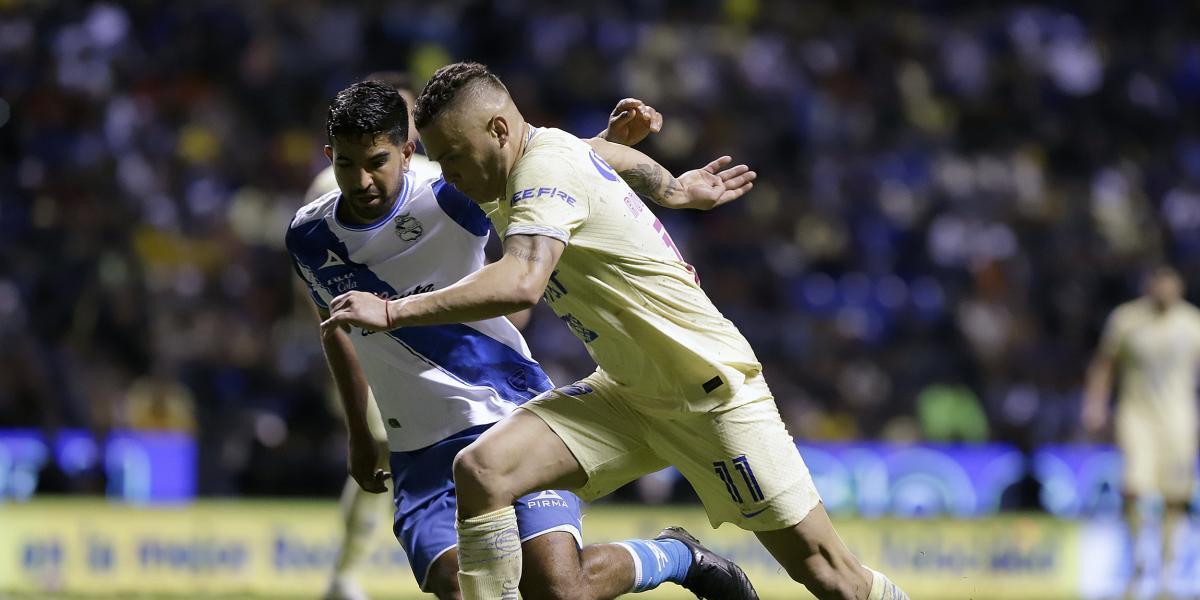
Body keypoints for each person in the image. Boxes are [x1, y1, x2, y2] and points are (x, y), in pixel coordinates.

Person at [321, 62, 910, 600]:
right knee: (483, 471)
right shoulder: (529, 162)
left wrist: (393, 311)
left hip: (711, 397)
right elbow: (599, 155)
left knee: (835, 579)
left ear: (499, 130)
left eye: (453, 156)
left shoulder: (540, 169)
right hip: (628, 393)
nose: (447, 174)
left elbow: (523, 280)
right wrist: (674, 187)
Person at [288, 80, 758, 600]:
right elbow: (337, 329)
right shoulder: (308, 236)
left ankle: (678, 555)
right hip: (416, 447)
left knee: (558, 588)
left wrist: (631, 155)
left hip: (506, 413)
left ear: (406, 150)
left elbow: (551, 165)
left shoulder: (450, 199)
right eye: (347, 163)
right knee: (461, 586)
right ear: (330, 156)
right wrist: (359, 433)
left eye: (376, 161)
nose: (362, 179)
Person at [1084, 265, 1200, 594]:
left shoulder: (1192, 323)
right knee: (1134, 488)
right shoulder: (1126, 320)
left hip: (1179, 419)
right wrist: (1095, 404)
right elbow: (1104, 364)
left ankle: (1167, 570)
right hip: (1137, 416)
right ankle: (1137, 557)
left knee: (1175, 496)